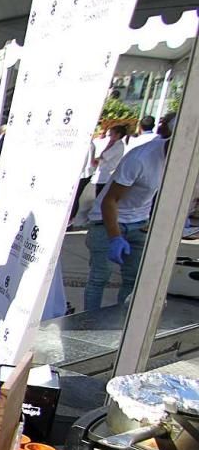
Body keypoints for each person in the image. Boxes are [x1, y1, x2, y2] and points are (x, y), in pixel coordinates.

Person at [84, 112, 175, 311]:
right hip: (106, 221)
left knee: (133, 280)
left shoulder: (181, 163)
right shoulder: (140, 158)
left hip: (139, 223)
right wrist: (115, 237)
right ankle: (88, 323)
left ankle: (122, 324)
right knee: (100, 277)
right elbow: (110, 200)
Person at [92, 124, 128, 196]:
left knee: (100, 195)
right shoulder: (111, 143)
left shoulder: (118, 146)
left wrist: (94, 160)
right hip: (102, 172)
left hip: (106, 175)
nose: (109, 136)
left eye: (111, 134)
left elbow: (104, 156)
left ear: (118, 135)